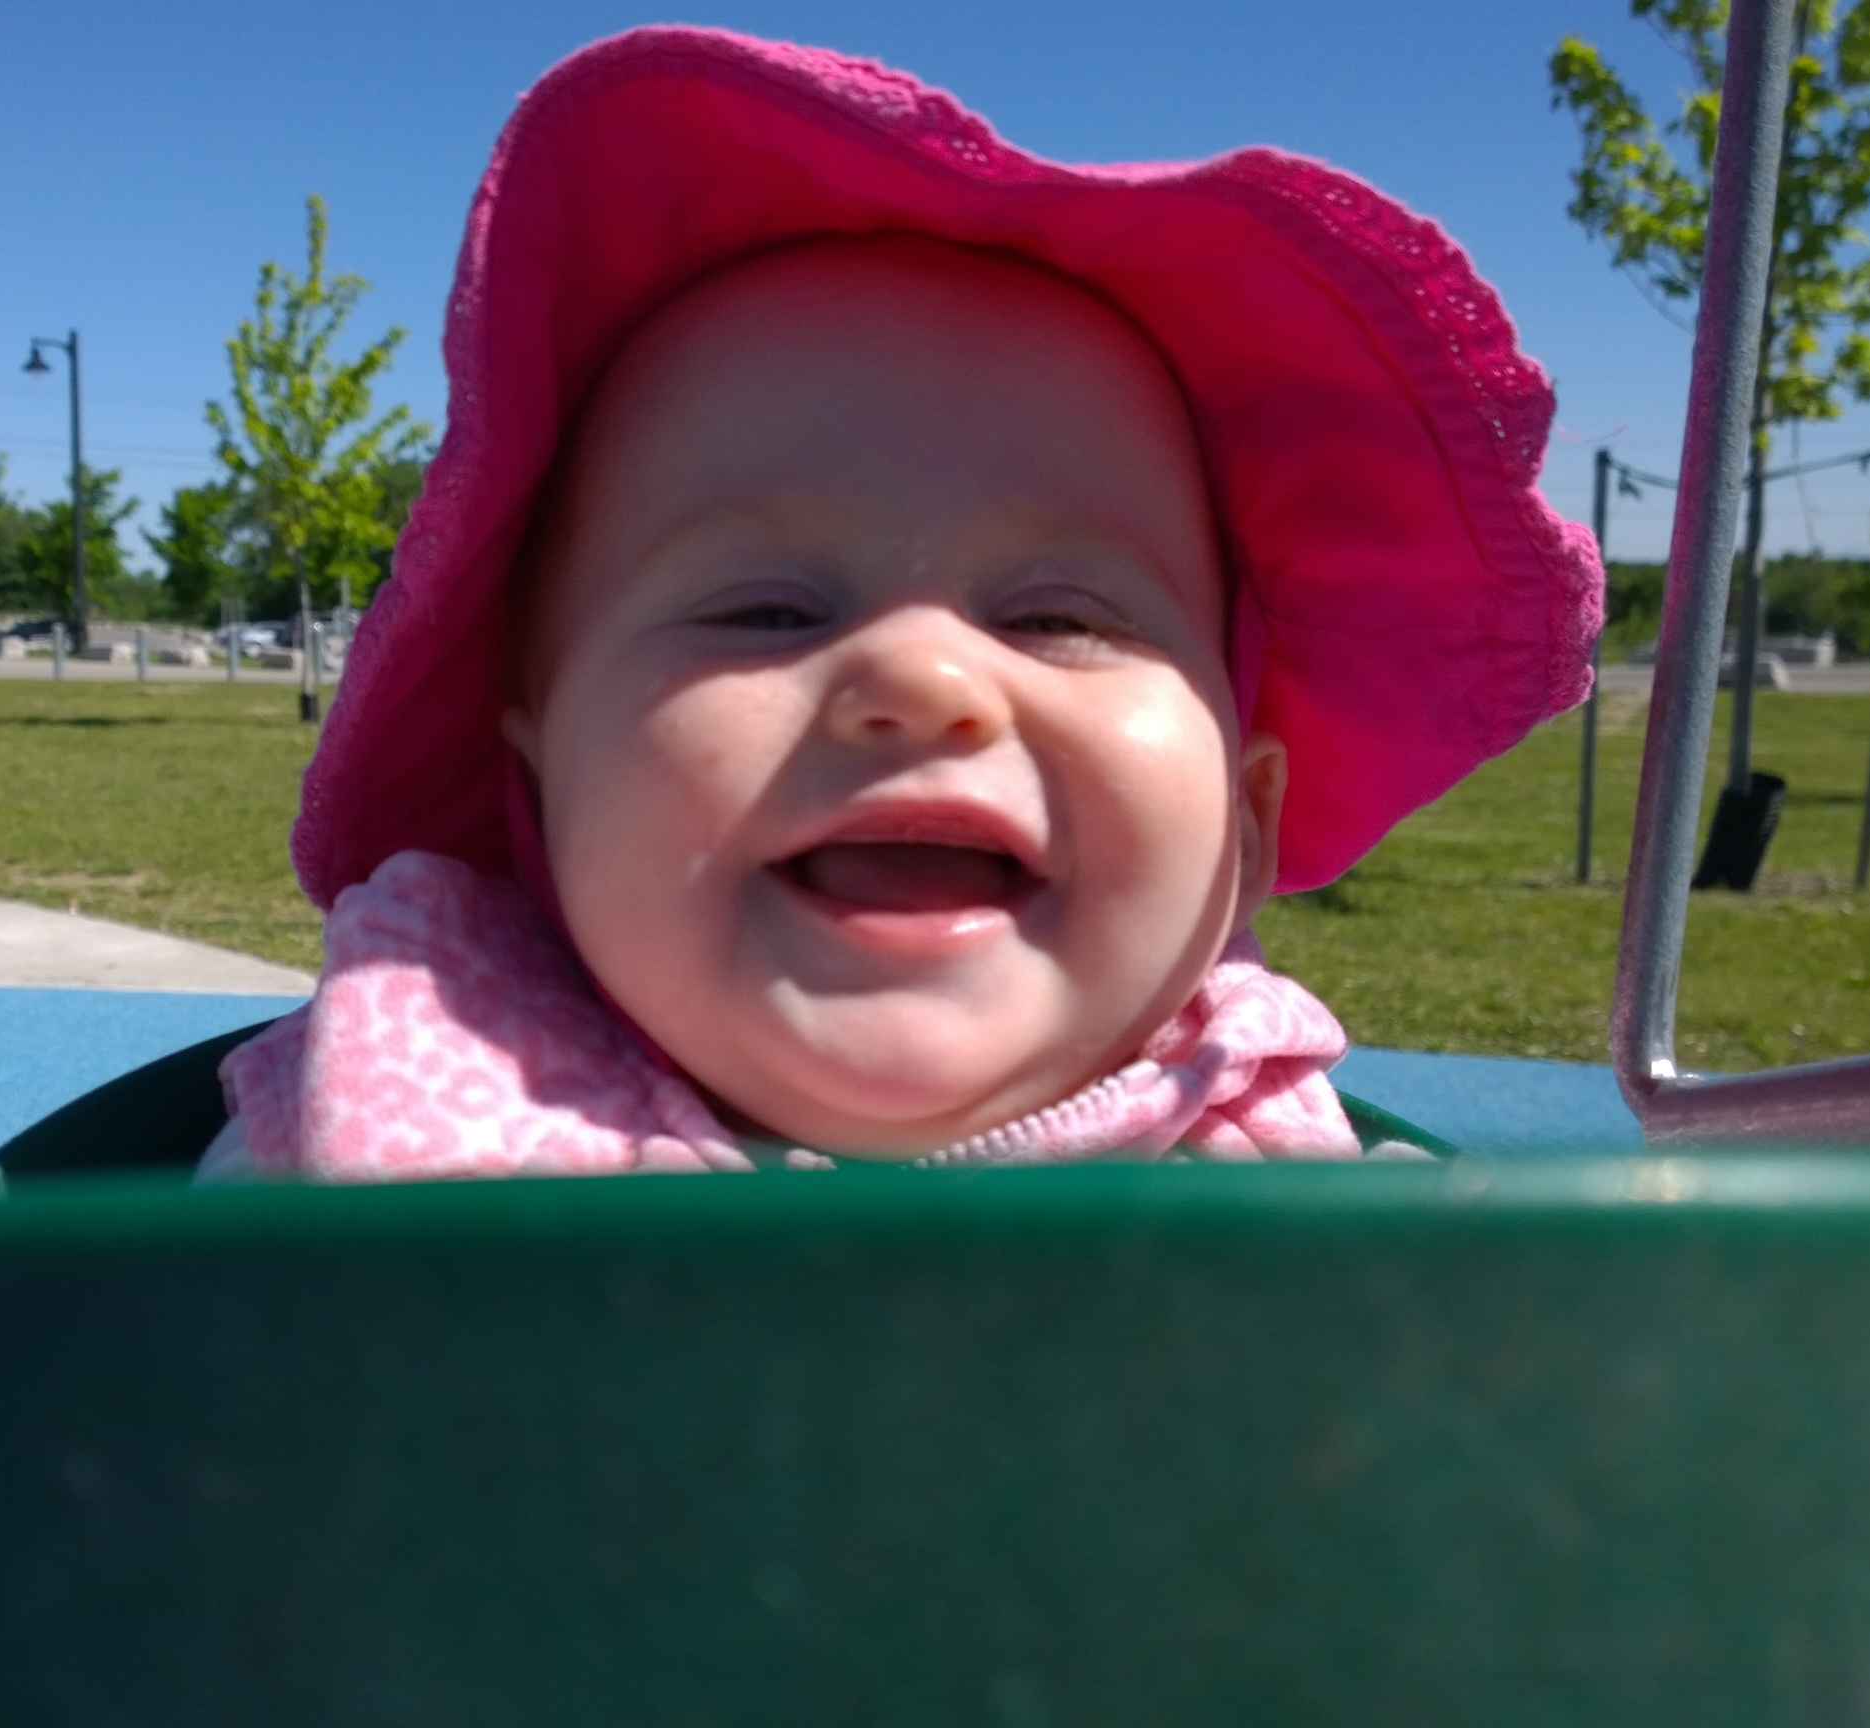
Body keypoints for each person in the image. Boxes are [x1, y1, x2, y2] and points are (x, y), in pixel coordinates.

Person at [203, 27, 1602, 1180]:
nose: (924, 677)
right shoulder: (378, 1131)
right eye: (764, 612)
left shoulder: (1310, 1196)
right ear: (542, 786)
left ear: (1245, 820)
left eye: (1061, 618)